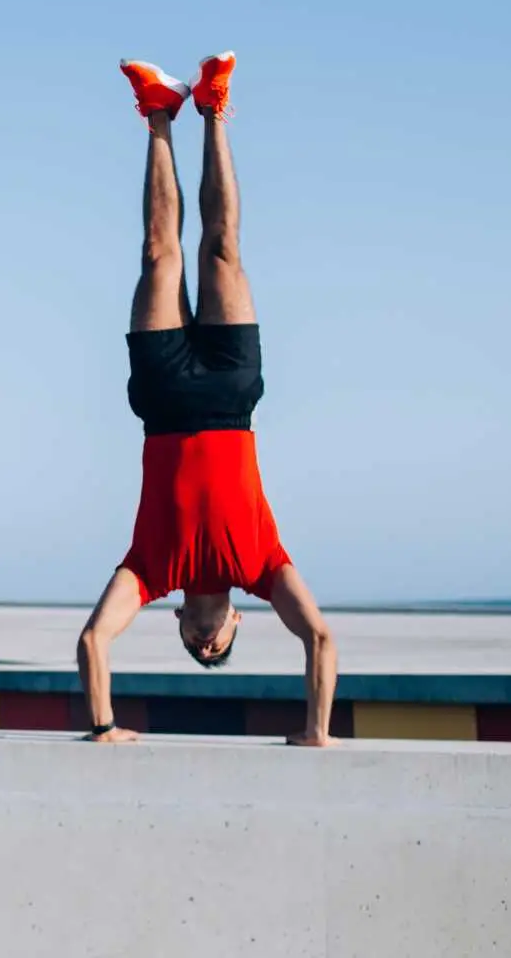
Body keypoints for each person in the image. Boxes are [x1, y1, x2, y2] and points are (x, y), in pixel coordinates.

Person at [74, 52, 337, 747]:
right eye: (218, 646)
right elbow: (320, 638)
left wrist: (103, 726)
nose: (207, 639)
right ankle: (216, 109)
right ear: (237, 623)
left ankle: (159, 114)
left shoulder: (152, 569)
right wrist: (315, 732)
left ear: (183, 627)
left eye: (200, 647)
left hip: (161, 403)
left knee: (160, 253)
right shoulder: (261, 565)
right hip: (229, 393)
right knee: (222, 251)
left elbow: (94, 641)